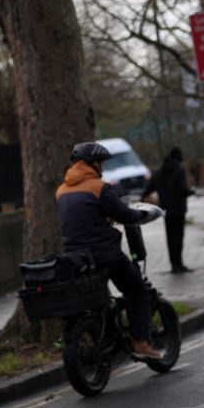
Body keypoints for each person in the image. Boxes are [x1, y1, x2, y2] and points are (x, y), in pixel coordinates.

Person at [56, 141, 160, 360]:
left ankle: (108, 337)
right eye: (100, 163)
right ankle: (141, 342)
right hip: (103, 253)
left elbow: (83, 217)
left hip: (76, 257)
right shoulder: (98, 187)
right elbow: (125, 214)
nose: (102, 167)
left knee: (100, 300)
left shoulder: (62, 191)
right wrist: (144, 215)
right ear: (93, 164)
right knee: (137, 290)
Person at [144, 147, 195, 273]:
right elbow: (181, 190)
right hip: (179, 210)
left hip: (166, 210)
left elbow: (147, 190)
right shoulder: (179, 171)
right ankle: (179, 264)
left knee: (170, 237)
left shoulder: (158, 173)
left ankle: (173, 264)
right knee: (179, 237)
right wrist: (191, 192)